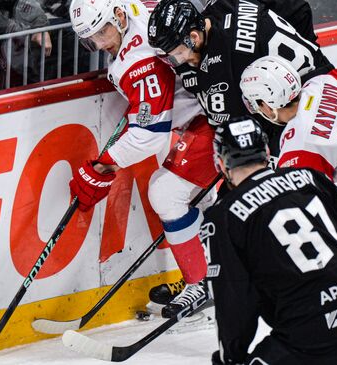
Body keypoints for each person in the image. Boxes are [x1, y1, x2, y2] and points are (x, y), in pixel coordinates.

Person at [68, 0, 219, 317]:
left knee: (166, 193)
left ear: (119, 16)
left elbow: (149, 135)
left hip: (208, 118)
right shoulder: (133, 9)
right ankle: (215, 274)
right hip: (200, 111)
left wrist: (105, 164)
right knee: (202, 199)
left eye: (102, 33)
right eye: (89, 40)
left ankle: (201, 283)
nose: (99, 44)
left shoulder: (138, 63)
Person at [203, 116, 337, 364]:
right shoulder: (310, 177)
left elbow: (235, 301)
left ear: (221, 164)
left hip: (309, 337)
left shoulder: (224, 216)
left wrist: (230, 357)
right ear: (267, 151)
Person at [147, 0, 334, 155]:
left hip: (310, 108)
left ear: (193, 37)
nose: (178, 62)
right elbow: (298, 9)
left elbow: (242, 132)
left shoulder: (229, 61)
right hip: (325, 81)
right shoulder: (220, 7)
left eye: (177, 54)